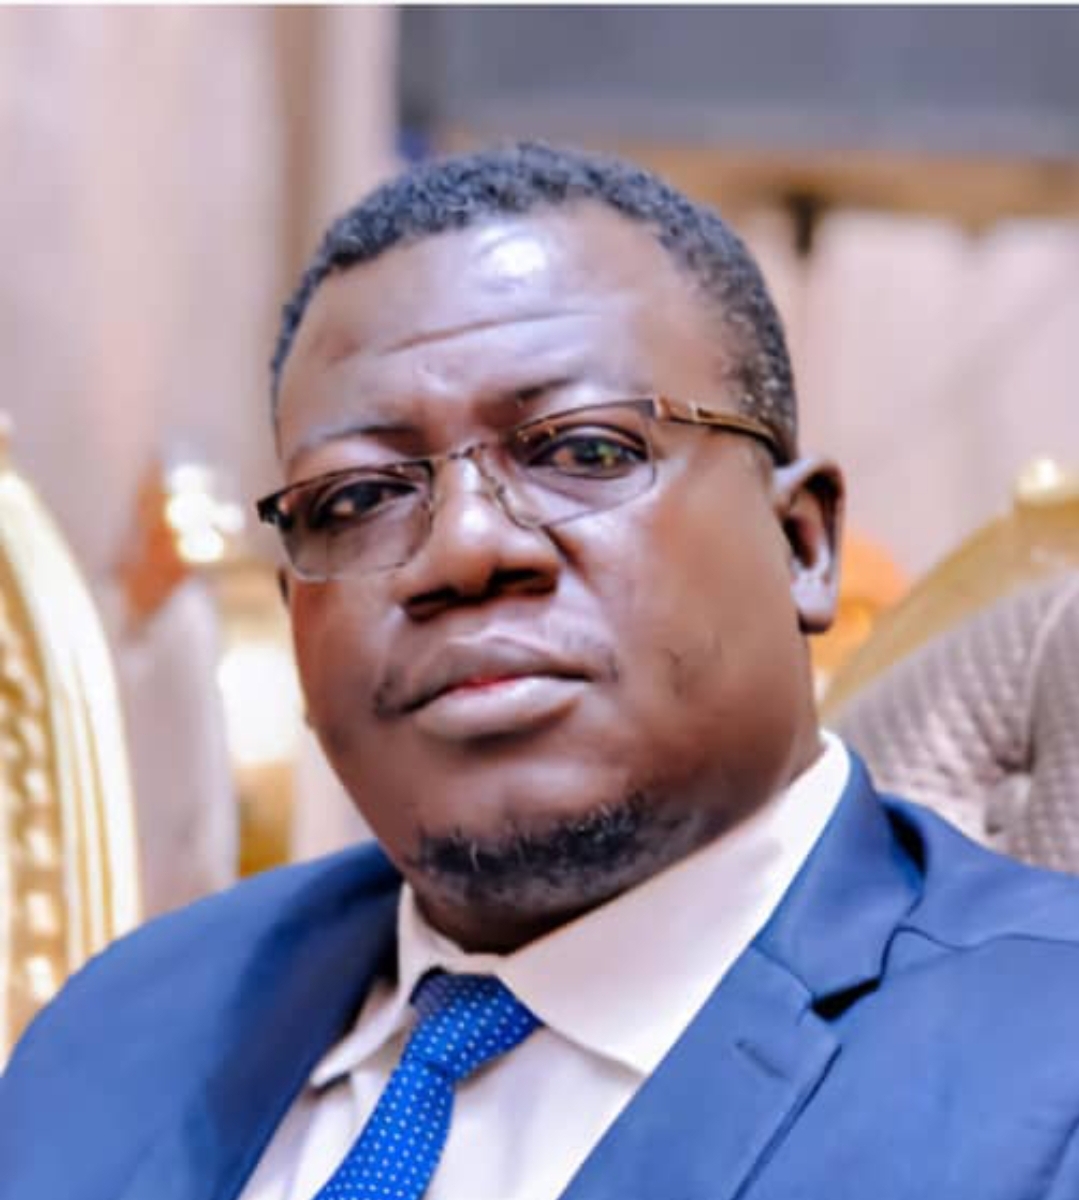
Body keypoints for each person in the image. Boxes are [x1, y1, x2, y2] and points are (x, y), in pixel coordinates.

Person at [4, 142, 1079, 1200]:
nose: (464, 552)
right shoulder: (119, 1028)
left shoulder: (1042, 1068)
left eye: (584, 451)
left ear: (799, 544)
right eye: (358, 499)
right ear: (296, 619)